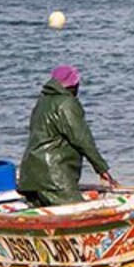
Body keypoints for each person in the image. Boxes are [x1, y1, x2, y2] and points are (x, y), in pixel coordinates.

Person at [17, 65, 116, 207]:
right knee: (77, 210)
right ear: (73, 86)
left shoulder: (42, 102)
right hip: (53, 178)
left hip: (31, 176)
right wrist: (102, 169)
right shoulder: (66, 104)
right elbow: (82, 139)